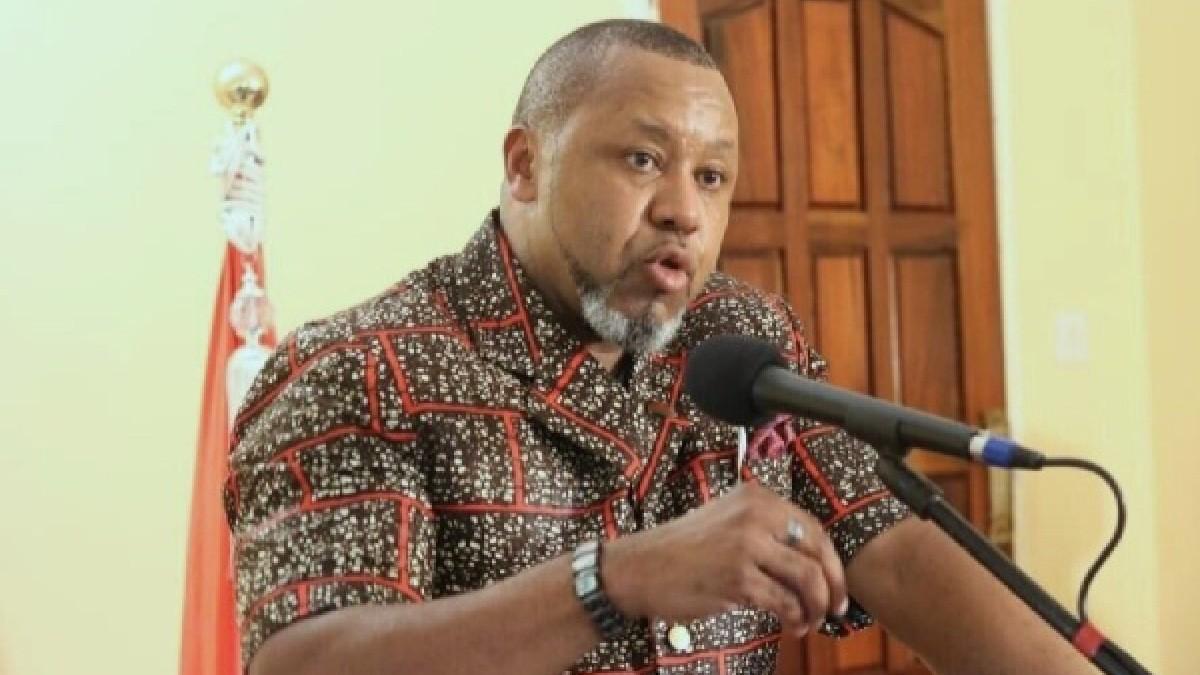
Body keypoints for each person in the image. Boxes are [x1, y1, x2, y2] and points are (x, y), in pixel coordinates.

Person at [225, 19, 1098, 675]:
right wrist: (614, 579)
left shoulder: (744, 339)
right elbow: (306, 659)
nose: (685, 209)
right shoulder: (359, 368)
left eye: (711, 176)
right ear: (525, 165)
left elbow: (894, 549)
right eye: (643, 160)